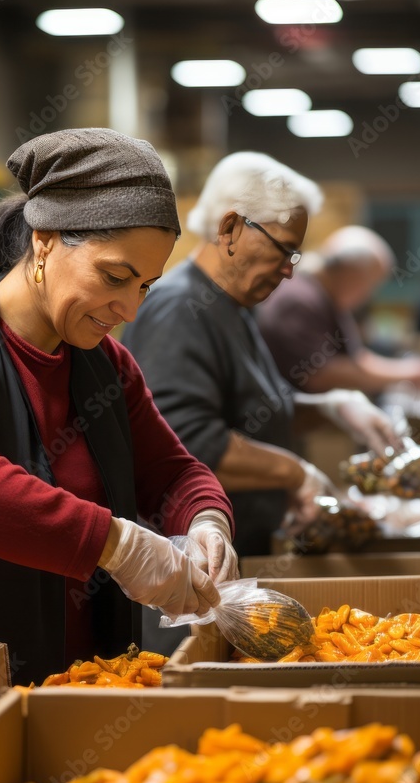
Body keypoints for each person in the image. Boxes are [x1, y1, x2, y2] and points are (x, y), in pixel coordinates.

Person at [0, 128, 238, 689]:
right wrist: (119, 545)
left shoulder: (105, 365)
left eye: (145, 286)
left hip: (72, 683)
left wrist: (206, 523)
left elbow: (172, 472)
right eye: (114, 277)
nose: (127, 307)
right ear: (46, 240)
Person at [122, 152, 401, 557]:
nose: (289, 271)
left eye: (295, 255)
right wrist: (294, 473)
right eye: (283, 250)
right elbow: (186, 442)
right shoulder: (180, 309)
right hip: (194, 567)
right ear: (231, 228)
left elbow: (257, 408)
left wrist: (330, 407)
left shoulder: (232, 308)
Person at [257, 225, 420, 394]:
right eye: (370, 284)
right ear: (350, 273)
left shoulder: (327, 297)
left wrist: (408, 371)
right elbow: (318, 374)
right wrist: (404, 373)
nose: (368, 295)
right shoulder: (299, 299)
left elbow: (357, 358)